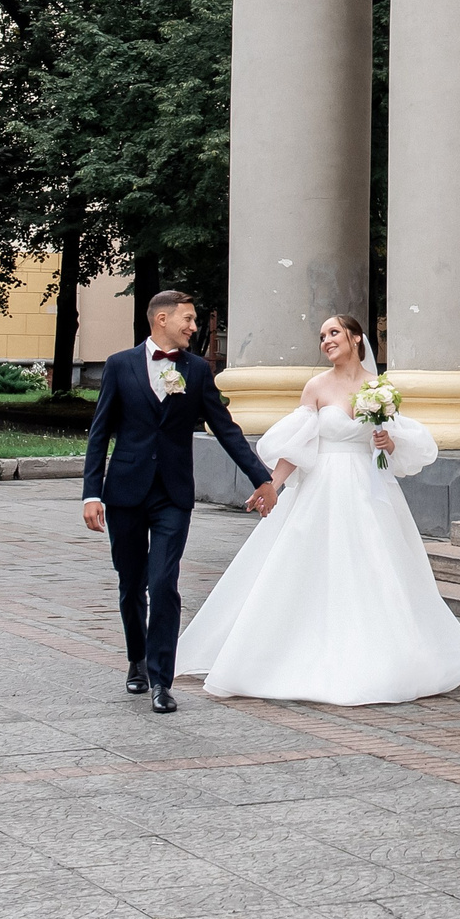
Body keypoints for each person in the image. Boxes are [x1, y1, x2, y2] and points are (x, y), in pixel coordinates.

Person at [177, 314, 460, 704]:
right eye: (322, 336)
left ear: (356, 338)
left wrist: (386, 442)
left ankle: (390, 658)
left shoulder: (379, 389)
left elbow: (397, 446)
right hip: (323, 486)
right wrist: (270, 486)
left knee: (377, 566)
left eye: (334, 332)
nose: (326, 340)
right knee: (311, 567)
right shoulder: (317, 387)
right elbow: (298, 446)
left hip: (369, 489)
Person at [80, 289, 277, 714]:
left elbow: (225, 429)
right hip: (126, 492)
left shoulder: (197, 372)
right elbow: (100, 434)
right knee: (131, 584)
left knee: (164, 583)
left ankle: (160, 680)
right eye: (187, 319)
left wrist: (263, 478)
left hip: (173, 495)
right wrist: (91, 492)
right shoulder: (119, 366)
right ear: (162, 319)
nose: (193, 327)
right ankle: (136, 658)